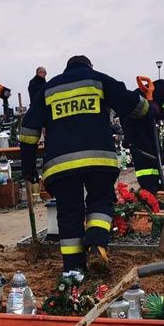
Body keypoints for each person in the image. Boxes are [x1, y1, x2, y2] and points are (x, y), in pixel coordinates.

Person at [18, 55, 149, 274]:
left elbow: (28, 131)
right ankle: (97, 244)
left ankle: (73, 269)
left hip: (61, 166)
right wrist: (149, 107)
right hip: (99, 160)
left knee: (69, 214)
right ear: (89, 66)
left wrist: (29, 168)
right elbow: (130, 103)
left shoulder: (49, 89)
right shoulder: (98, 80)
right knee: (101, 200)